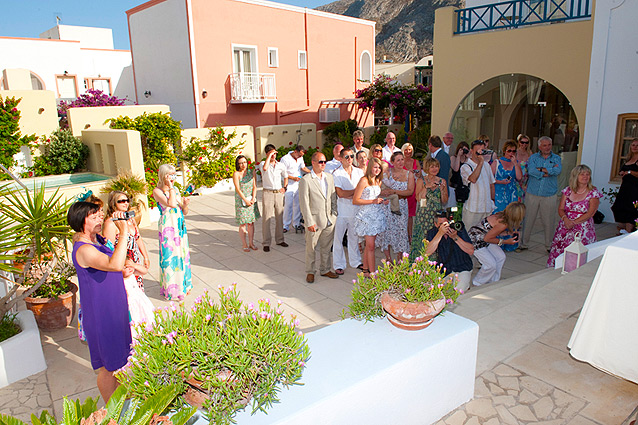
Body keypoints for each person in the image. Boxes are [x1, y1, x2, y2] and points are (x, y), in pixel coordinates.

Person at [68, 201, 132, 402]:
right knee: (108, 367)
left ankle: (123, 401)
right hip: (102, 314)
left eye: (100, 215)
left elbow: (112, 267)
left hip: (115, 308)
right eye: (94, 217)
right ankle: (112, 410)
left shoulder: (98, 240)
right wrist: (124, 233)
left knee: (120, 361)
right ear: (81, 221)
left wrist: (122, 272)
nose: (100, 219)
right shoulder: (84, 249)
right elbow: (113, 264)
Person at [547, 165, 602, 267]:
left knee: (579, 255)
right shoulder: (567, 190)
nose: (585, 176)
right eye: (582, 174)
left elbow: (591, 212)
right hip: (565, 227)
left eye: (588, 174)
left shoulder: (593, 193)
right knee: (560, 249)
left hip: (583, 228)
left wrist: (574, 222)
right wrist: (566, 220)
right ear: (575, 176)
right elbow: (561, 209)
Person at [152, 164, 192, 300]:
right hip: (168, 225)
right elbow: (171, 204)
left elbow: (183, 211)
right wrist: (170, 188)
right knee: (170, 255)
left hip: (179, 224)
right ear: (164, 176)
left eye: (174, 175)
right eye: (170, 175)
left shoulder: (175, 190)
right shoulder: (157, 191)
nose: (173, 178)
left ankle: (183, 285)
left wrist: (185, 204)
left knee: (181, 253)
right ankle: (171, 288)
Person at [299, 152, 339, 283]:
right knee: (311, 248)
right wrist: (309, 221)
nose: (323, 164)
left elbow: (333, 197)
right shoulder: (306, 180)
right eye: (320, 162)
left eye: (324, 162)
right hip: (314, 221)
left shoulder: (329, 177)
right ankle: (310, 271)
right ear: (313, 163)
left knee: (326, 247)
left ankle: (325, 269)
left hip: (329, 219)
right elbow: (304, 203)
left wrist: (334, 215)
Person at [520, 136, 562, 252]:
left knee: (548, 221)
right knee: (528, 219)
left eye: (549, 145)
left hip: (549, 194)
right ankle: (524, 244)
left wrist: (541, 169)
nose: (547, 147)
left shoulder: (557, 158)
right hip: (532, 193)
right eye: (544, 145)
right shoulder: (533, 157)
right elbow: (532, 171)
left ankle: (549, 246)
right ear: (539, 146)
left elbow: (557, 171)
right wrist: (548, 170)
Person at [468, 202, 526, 286]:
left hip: (484, 238)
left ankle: (494, 281)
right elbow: (487, 238)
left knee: (501, 257)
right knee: (490, 264)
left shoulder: (502, 215)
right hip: (476, 240)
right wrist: (506, 241)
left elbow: (491, 232)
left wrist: (507, 233)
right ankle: (478, 282)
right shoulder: (503, 223)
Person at [102, 191, 150, 290]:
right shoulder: (111, 224)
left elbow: (138, 238)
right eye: (121, 201)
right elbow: (108, 250)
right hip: (123, 266)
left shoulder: (130, 219)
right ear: (113, 203)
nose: (125, 203)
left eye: (127, 200)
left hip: (135, 263)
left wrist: (145, 256)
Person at [353, 157, 389, 277]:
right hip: (366, 216)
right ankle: (373, 273)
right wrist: (373, 201)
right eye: (375, 167)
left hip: (376, 214)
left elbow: (375, 197)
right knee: (371, 246)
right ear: (370, 167)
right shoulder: (363, 180)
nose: (377, 169)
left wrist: (381, 201)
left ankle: (365, 270)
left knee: (369, 245)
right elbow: (356, 200)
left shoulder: (378, 181)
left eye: (379, 167)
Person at [332, 147, 364, 274]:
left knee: (354, 237)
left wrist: (353, 194)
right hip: (342, 210)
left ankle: (355, 261)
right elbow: (340, 193)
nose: (350, 159)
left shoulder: (359, 172)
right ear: (340, 159)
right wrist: (356, 192)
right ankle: (338, 264)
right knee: (338, 238)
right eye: (347, 157)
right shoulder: (337, 173)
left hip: (356, 209)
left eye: (351, 156)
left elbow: (362, 191)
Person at [425, 210, 474, 293]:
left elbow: (471, 251)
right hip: (445, 269)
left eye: (446, 223)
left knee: (459, 290)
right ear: (436, 224)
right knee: (435, 291)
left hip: (462, 267)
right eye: (442, 225)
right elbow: (427, 252)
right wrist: (440, 234)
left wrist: (455, 237)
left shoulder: (458, 228)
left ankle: (465, 283)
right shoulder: (433, 232)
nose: (446, 227)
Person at [378, 151, 415, 262]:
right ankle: (388, 258)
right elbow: (379, 186)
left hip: (401, 205)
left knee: (401, 231)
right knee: (387, 230)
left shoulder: (409, 174)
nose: (400, 162)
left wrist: (394, 191)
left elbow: (410, 191)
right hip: (387, 206)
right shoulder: (387, 172)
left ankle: (400, 257)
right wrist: (383, 192)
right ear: (392, 162)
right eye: (398, 160)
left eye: (402, 159)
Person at [410, 158, 448, 261]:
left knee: (435, 237)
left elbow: (444, 201)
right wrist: (426, 187)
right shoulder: (421, 180)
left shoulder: (442, 181)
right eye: (432, 166)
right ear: (427, 168)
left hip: (436, 215)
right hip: (423, 214)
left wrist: (443, 190)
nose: (434, 169)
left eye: (436, 166)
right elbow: (418, 199)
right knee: (422, 238)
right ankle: (418, 262)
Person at [461, 140, 496, 229]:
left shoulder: (487, 165)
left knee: (484, 237)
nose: (480, 154)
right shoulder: (466, 166)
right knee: (469, 235)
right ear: (471, 151)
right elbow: (473, 179)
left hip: (487, 208)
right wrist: (480, 163)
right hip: (473, 209)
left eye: (482, 151)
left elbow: (491, 185)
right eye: (478, 151)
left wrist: (492, 201)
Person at [259, 145, 288, 252]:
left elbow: (285, 176)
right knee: (267, 218)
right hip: (268, 193)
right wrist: (269, 156)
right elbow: (265, 168)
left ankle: (280, 240)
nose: (274, 155)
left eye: (275, 153)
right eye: (272, 153)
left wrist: (285, 187)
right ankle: (266, 242)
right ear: (267, 154)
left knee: (279, 217)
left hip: (278, 193)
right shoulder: (263, 163)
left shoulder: (280, 165)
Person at [232, 155, 260, 252]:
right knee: (243, 223)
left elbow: (255, 186)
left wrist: (253, 198)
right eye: (241, 163)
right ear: (238, 164)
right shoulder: (236, 174)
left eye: (244, 162)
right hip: (241, 200)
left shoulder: (251, 172)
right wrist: (245, 200)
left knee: (251, 223)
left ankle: (251, 243)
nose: (243, 165)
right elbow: (238, 189)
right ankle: (244, 244)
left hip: (251, 199)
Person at [611, 137, 638, 233]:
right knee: (618, 208)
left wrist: (630, 172)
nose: (635, 147)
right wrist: (623, 173)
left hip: (634, 189)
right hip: (625, 188)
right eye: (633, 145)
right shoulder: (629, 158)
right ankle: (623, 230)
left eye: (637, 145)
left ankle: (628, 232)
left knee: (631, 211)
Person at [281, 145, 310, 233]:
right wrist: (293, 178)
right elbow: (283, 173)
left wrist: (312, 172)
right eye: (299, 155)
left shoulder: (300, 158)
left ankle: (296, 223)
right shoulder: (285, 159)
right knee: (288, 205)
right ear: (295, 151)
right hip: (289, 184)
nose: (301, 157)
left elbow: (303, 167)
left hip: (298, 183)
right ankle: (285, 225)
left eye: (302, 155)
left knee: (297, 204)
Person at [491, 140, 523, 213]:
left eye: (514, 151)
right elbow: (490, 179)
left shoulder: (516, 163)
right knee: (499, 214)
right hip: (499, 192)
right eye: (509, 151)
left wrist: (515, 163)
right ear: (504, 151)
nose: (511, 153)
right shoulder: (497, 162)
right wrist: (500, 181)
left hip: (511, 192)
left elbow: (519, 177)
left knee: (511, 214)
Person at [402, 142, 421, 241]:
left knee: (411, 215)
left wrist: (416, 172)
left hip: (413, 189)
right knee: (403, 213)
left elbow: (419, 174)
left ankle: (410, 235)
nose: (408, 152)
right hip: (403, 189)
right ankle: (403, 235)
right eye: (406, 149)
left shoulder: (416, 162)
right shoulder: (401, 161)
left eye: (409, 150)